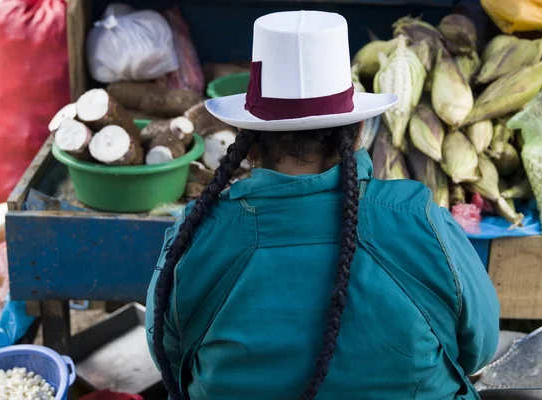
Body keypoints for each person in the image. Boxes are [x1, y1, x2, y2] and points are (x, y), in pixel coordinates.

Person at [146, 10, 500, 400]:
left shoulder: (196, 238)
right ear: (359, 130)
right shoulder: (422, 224)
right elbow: (477, 350)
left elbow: (170, 359)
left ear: (249, 142)